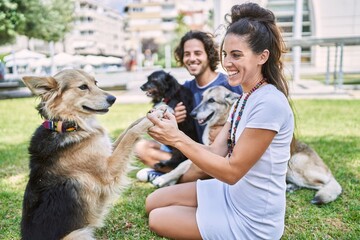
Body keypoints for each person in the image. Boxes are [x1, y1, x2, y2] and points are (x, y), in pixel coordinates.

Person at [145, 2, 294, 239]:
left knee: (157, 218)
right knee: (152, 201)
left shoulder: (270, 103)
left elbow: (232, 171)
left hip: (252, 222)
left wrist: (178, 138)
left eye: (237, 55)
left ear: (262, 57)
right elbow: (215, 151)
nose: (227, 63)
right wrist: (173, 132)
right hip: (230, 193)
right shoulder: (244, 98)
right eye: (225, 54)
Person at [135, 30, 242, 182]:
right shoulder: (182, 89)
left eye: (197, 53)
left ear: (208, 55)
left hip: (216, 155)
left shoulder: (229, 85)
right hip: (190, 152)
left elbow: (246, 123)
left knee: (204, 163)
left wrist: (225, 130)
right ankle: (173, 176)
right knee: (141, 148)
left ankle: (168, 178)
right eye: (187, 54)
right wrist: (173, 121)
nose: (192, 58)